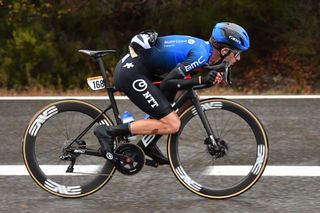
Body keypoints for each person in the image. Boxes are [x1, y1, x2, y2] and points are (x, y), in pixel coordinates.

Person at [94, 22, 250, 165]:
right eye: (236, 53)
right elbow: (168, 83)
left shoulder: (205, 53)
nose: (238, 58)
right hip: (131, 73)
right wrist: (201, 79)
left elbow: (179, 84)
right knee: (173, 124)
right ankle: (107, 131)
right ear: (224, 51)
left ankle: (148, 143)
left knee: (189, 100)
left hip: (142, 71)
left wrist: (204, 81)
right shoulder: (201, 55)